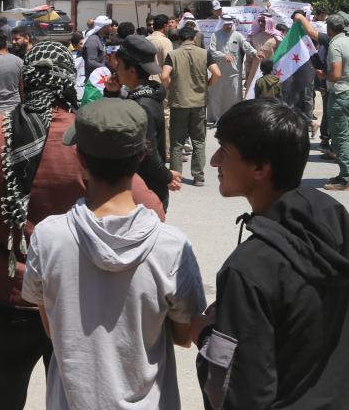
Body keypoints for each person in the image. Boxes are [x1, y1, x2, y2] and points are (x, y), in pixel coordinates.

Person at [0, 41, 165, 409]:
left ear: (24, 85)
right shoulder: (89, 139)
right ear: (68, 85)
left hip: (8, 297)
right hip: (78, 302)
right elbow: (151, 212)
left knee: (0, 401)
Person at [23, 98, 205, 410]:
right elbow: (184, 334)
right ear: (142, 156)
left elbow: (52, 328)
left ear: (79, 157)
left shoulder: (48, 237)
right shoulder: (171, 245)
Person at [198, 99, 349, 408]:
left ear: (261, 168)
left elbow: (240, 392)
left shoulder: (249, 269)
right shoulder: (336, 224)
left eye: (224, 151)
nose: (214, 162)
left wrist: (207, 332)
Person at [105, 35, 173, 208]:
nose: (115, 70)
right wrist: (112, 94)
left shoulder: (142, 106)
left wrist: (167, 176)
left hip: (146, 192)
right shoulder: (148, 95)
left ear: (132, 71)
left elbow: (149, 154)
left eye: (119, 66)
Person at [163, 24, 221, 187]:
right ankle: (198, 176)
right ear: (194, 38)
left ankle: (175, 176)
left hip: (179, 102)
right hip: (199, 102)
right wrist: (208, 84)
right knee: (198, 140)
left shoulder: (173, 54)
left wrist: (170, 87)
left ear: (180, 39)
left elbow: (164, 75)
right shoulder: (204, 53)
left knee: (177, 141)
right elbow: (217, 73)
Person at [322, 14, 349, 191]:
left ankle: (345, 178)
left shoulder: (335, 45)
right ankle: (346, 171)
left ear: (329, 29)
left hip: (340, 94)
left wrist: (323, 75)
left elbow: (336, 74)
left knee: (339, 137)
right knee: (347, 134)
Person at [205, 15, 254, 125]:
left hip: (234, 73)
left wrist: (254, 52)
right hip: (219, 73)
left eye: (230, 25)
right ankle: (216, 119)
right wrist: (223, 56)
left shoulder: (237, 35)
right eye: (226, 25)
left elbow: (246, 45)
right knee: (217, 97)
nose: (228, 27)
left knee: (234, 97)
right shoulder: (215, 35)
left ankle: (233, 119)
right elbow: (212, 51)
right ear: (222, 24)